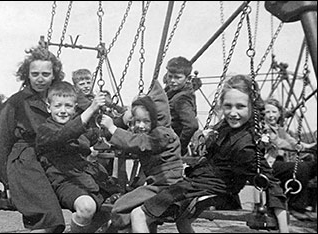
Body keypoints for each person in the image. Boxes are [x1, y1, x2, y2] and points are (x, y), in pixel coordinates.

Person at [130, 75, 289, 233]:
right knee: (182, 222)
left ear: (252, 107)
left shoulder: (245, 145)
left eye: (240, 106)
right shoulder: (228, 128)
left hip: (201, 189)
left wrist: (284, 229)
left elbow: (270, 182)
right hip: (199, 184)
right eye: (228, 106)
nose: (233, 113)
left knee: (138, 215)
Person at [0, 45, 66, 233]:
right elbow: (2, 143)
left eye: (45, 74)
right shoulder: (15, 102)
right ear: (27, 75)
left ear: (54, 75)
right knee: (50, 221)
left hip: (50, 163)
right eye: (35, 74)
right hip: (25, 162)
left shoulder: (58, 101)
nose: (40, 79)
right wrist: (5, 180)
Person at [35, 81, 122, 233]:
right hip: (65, 181)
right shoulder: (46, 130)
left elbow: (100, 133)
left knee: (123, 206)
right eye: (58, 106)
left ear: (75, 108)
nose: (63, 111)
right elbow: (64, 135)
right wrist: (91, 108)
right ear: (49, 108)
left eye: (68, 106)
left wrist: (124, 119)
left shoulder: (81, 130)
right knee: (86, 208)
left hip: (93, 180)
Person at [100, 79, 184, 232]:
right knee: (131, 207)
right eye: (137, 121)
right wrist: (110, 129)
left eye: (146, 121)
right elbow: (130, 141)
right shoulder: (152, 133)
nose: (140, 125)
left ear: (157, 119)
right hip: (159, 185)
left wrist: (112, 128)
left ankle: (114, 228)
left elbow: (137, 142)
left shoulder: (162, 134)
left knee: (121, 207)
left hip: (167, 186)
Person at [263, 97, 317, 220]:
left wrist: (311, 146)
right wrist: (298, 147)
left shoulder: (280, 129)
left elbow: (293, 142)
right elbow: (278, 142)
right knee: (300, 168)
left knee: (313, 166)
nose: (271, 115)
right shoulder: (263, 128)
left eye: (274, 112)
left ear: (279, 114)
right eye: (268, 112)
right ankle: (296, 207)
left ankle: (309, 204)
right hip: (268, 165)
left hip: (280, 163)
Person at [163, 56, 199, 156]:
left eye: (178, 77)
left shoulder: (182, 99)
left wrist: (179, 147)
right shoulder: (173, 92)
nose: (172, 81)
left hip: (169, 147)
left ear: (187, 78)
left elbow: (192, 125)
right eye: (170, 76)